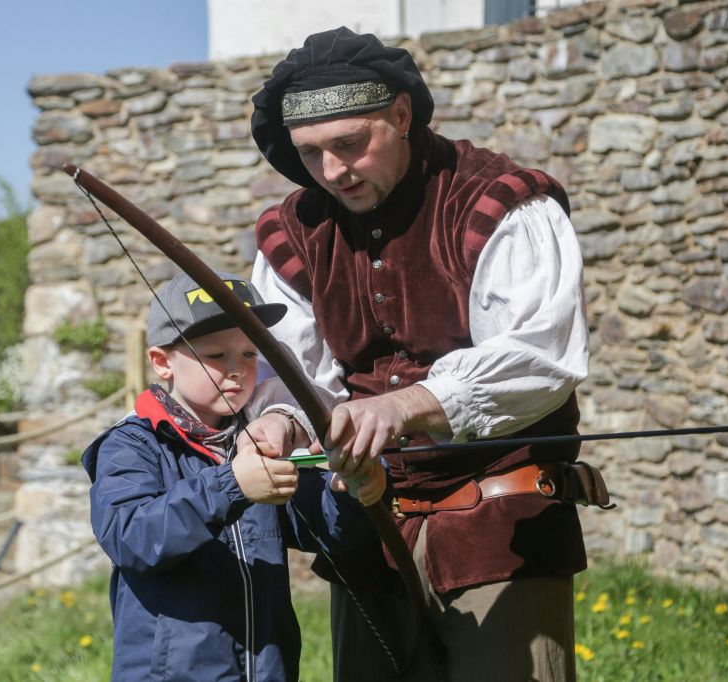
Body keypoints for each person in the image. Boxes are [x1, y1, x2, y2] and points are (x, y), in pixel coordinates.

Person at [241, 27, 591, 682]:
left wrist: (409, 404)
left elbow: (540, 356)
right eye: (311, 153)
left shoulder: (499, 202)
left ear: (401, 115)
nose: (333, 171)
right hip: (367, 534)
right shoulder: (293, 234)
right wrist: (281, 422)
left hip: (501, 532)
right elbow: (289, 376)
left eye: (350, 144)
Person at [81, 271, 386, 681]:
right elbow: (132, 536)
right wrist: (232, 485)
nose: (237, 370)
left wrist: (346, 492)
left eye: (248, 354)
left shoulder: (260, 436)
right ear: (161, 362)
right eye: (215, 355)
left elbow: (320, 530)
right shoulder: (132, 443)